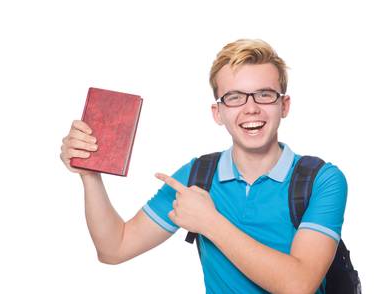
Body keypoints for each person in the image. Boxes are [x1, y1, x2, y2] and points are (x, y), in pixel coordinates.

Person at [60, 39, 348, 293]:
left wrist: (209, 222)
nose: (251, 108)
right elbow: (114, 248)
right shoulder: (198, 176)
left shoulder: (322, 180)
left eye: (264, 94)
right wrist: (90, 176)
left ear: (284, 106)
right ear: (218, 112)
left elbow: (298, 285)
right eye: (234, 97)